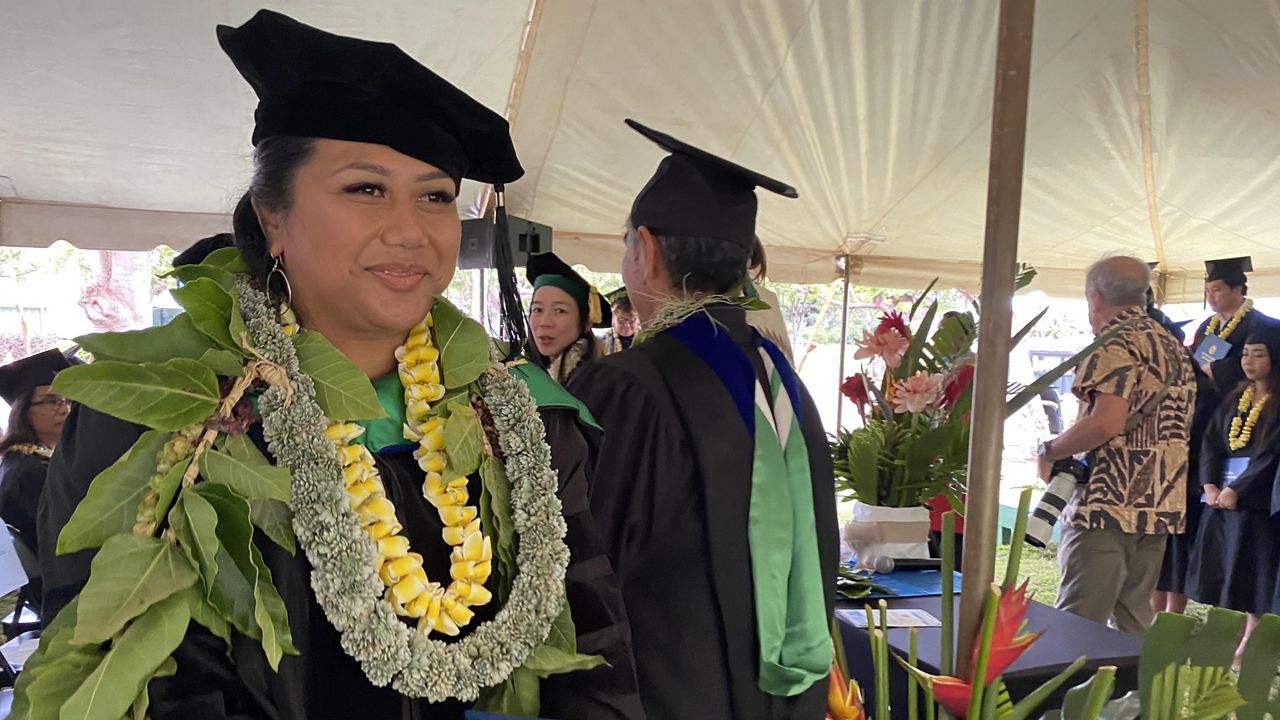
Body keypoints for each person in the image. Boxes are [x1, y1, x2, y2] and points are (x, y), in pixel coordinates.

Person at [33, 11, 641, 719]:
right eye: (366, 189)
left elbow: (595, 640)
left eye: (436, 196)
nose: (410, 230)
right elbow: (135, 675)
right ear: (271, 216)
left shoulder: (516, 415)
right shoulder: (167, 422)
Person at [568, 119, 836, 719]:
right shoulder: (780, 378)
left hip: (660, 695)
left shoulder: (626, 387)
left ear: (648, 250)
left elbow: (577, 561)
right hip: (780, 699)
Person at [1037, 256, 1195, 635]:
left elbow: (1106, 422)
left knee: (1078, 621)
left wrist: (1051, 450)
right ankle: (1132, 695)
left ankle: (1071, 696)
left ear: (1094, 298)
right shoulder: (1172, 345)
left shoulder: (1112, 343)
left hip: (1107, 503)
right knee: (1135, 621)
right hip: (1158, 501)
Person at [1187, 325, 1280, 666]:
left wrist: (1237, 490)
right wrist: (1209, 485)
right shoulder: (1235, 397)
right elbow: (1211, 441)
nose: (1249, 362)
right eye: (1245, 354)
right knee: (1224, 572)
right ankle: (1230, 636)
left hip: (1256, 506)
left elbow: (1271, 454)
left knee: (1256, 577)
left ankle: (1250, 646)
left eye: (1259, 355)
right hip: (1221, 502)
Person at [0, 349, 72, 553]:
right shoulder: (28, 472)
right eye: (51, 401)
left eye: (67, 401)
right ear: (23, 411)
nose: (64, 409)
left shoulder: (32, 460)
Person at [526, 252, 610, 384]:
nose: (544, 322)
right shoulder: (528, 373)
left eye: (560, 311)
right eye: (537, 310)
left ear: (587, 322)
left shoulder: (597, 381)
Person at [1194, 257, 1268, 392]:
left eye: (1216, 290)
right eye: (1207, 291)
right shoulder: (1206, 325)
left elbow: (1258, 363)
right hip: (1204, 400)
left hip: (1238, 399)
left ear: (1238, 289)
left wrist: (1214, 369)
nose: (1210, 297)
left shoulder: (1261, 325)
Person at [602, 288, 638, 355]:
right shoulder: (601, 343)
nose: (627, 325)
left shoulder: (647, 339)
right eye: (621, 320)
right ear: (613, 317)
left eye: (632, 320)